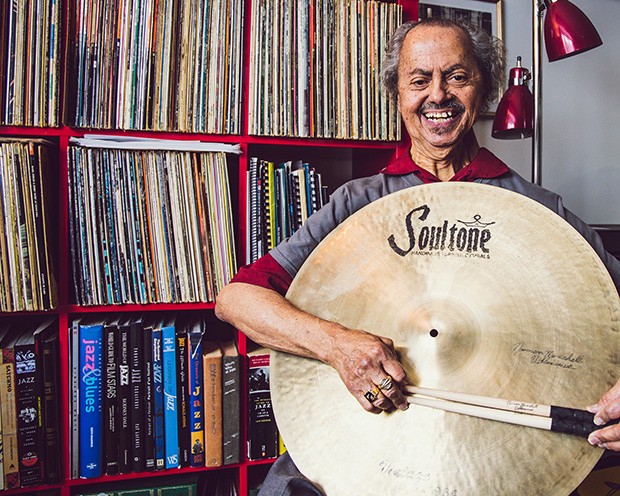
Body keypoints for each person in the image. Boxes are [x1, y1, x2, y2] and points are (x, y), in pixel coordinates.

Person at [215, 17, 620, 494]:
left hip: (496, 458)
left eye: (457, 76)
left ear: (484, 89)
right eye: (419, 80)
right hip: (365, 442)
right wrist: (336, 344)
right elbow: (237, 299)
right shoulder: (357, 203)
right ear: (398, 95)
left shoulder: (538, 211)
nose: (438, 95)